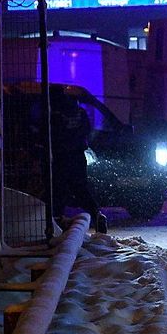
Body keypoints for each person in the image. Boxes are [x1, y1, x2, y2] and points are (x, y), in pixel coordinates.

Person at [49, 87, 106, 233]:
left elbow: (52, 135)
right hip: (78, 155)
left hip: (61, 156)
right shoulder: (80, 112)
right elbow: (86, 131)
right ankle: (96, 214)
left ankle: (56, 221)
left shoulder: (54, 113)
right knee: (81, 188)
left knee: (58, 189)